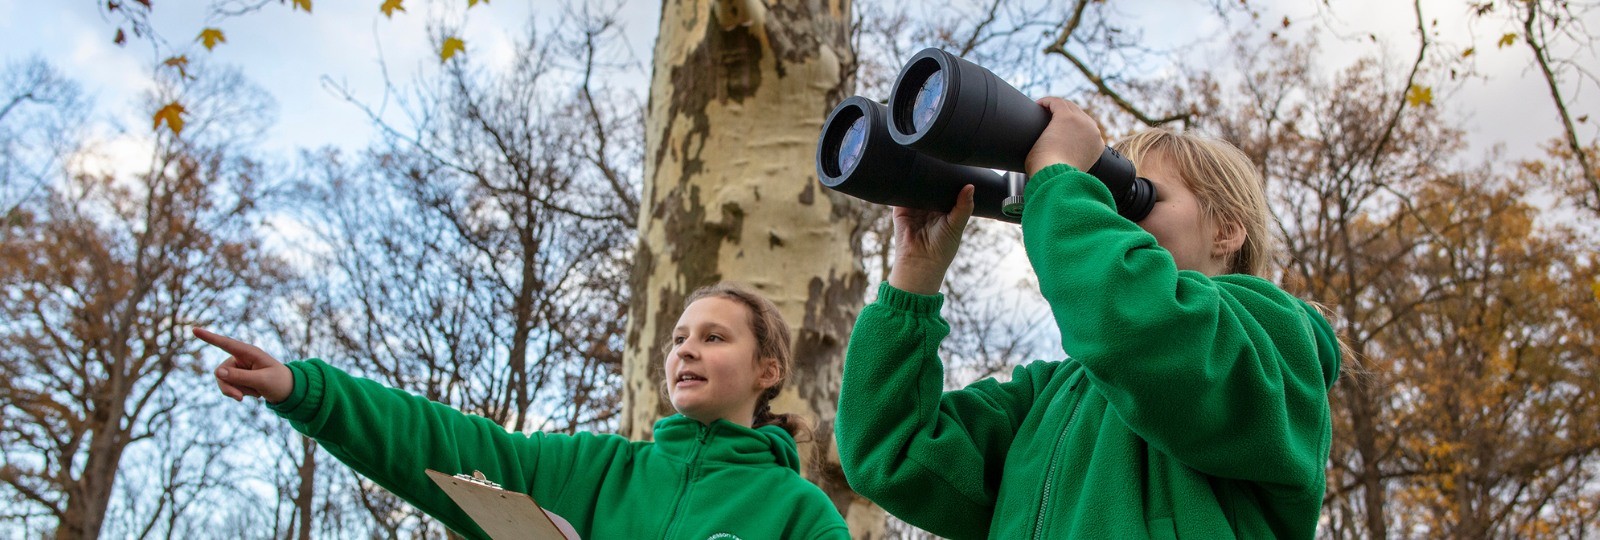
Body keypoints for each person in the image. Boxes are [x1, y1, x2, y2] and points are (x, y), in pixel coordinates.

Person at [835, 97, 1342, 539]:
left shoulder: (1280, 344)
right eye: (1106, 194)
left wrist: (1059, 178)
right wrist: (915, 275)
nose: (1114, 215)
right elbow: (892, 451)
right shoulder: (1047, 399)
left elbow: (1144, 327)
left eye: (1135, 195)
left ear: (1226, 232)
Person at [198, 282, 850, 540]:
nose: (686, 350)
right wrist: (304, 390)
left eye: (713, 337)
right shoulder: (590, 468)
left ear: (768, 371)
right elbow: (443, 442)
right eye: (678, 337)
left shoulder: (802, 516)